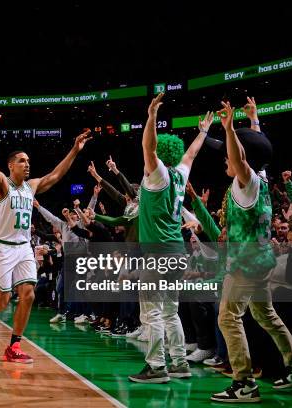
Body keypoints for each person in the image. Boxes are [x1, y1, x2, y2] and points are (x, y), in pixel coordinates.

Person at [0, 103, 92, 363]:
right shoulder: (1, 185)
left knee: (29, 294)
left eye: (29, 161)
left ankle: (14, 347)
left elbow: (55, 175)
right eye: (22, 161)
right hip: (2, 247)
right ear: (11, 166)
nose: (27, 164)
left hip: (23, 247)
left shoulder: (31, 187)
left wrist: (74, 150)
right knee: (0, 302)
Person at [211, 98, 292, 403]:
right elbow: (259, 152)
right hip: (262, 261)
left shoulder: (247, 183)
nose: (225, 160)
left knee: (228, 317)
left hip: (245, 264)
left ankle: (244, 382)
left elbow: (244, 159)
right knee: (264, 314)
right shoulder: (262, 179)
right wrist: (254, 121)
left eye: (230, 154)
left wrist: (230, 128)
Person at [128, 93, 214, 383]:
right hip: (177, 253)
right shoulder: (179, 173)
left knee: (151, 312)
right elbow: (191, 155)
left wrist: (151, 116)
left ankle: (156, 366)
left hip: (158, 254)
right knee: (170, 312)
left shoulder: (159, 175)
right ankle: (178, 362)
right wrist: (202, 131)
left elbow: (147, 147)